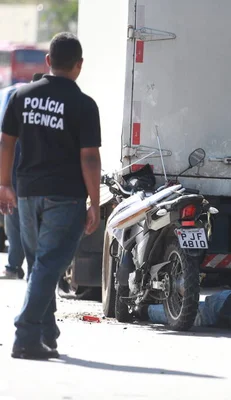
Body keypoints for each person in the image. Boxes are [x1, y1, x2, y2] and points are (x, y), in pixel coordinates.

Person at [0, 32, 102, 360]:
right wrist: (95, 203)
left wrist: (4, 184)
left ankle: (46, 335)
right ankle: (26, 332)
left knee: (40, 265)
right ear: (79, 66)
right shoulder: (83, 105)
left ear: (48, 61)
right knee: (48, 265)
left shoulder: (22, 96)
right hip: (65, 197)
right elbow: (89, 157)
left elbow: (5, 142)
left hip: (27, 194)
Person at [0, 73, 44, 280]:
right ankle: (20, 267)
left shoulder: (21, 113)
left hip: (22, 182)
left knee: (19, 226)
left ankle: (18, 267)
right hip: (27, 183)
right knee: (23, 226)